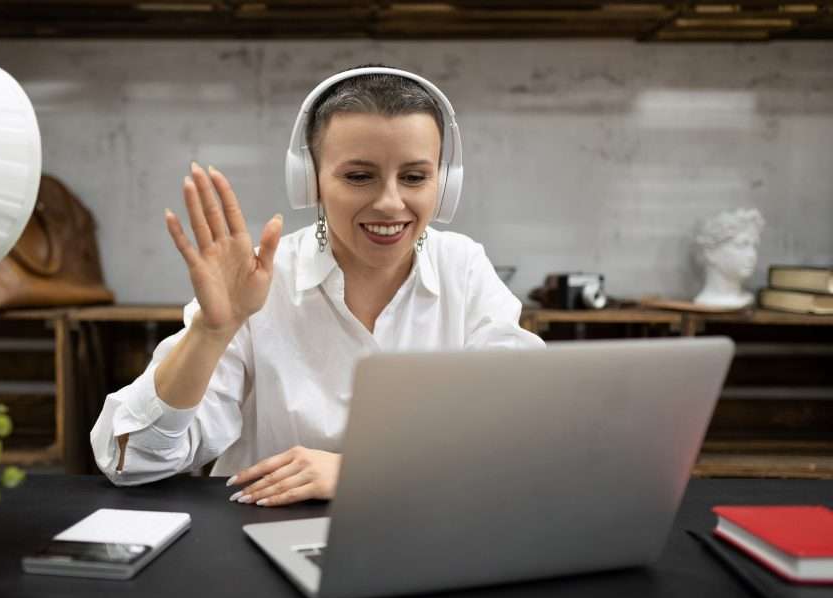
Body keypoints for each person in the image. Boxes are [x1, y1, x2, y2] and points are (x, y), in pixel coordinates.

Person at [90, 65, 545, 506]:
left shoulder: (462, 267)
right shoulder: (261, 282)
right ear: (310, 182)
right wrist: (211, 333)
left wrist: (359, 473)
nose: (390, 203)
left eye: (414, 177)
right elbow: (132, 460)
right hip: (260, 536)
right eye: (359, 176)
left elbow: (522, 435)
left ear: (443, 185)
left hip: (423, 531)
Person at [692, 208, 764, 309]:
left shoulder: (746, 300)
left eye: (754, 246)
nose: (752, 255)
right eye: (742, 245)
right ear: (710, 253)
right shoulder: (708, 301)